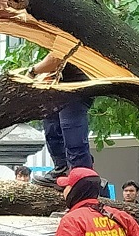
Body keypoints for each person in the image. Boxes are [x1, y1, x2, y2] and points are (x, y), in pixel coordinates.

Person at [28, 56, 94, 189]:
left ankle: (81, 179)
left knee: (73, 137)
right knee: (51, 127)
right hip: (60, 87)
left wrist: (32, 72)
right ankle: (61, 170)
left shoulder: (69, 37)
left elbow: (54, 59)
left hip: (77, 88)